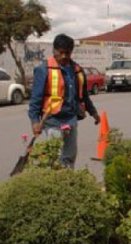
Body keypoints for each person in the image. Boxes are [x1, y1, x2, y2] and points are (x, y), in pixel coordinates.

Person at [28, 34, 100, 168]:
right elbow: (35, 99)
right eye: (60, 53)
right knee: (55, 156)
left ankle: (68, 182)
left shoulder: (77, 70)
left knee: (70, 155)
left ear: (71, 52)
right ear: (54, 50)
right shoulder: (43, 70)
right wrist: (35, 121)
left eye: (67, 53)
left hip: (71, 119)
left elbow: (84, 95)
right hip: (52, 121)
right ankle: (55, 185)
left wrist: (93, 112)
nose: (63, 56)